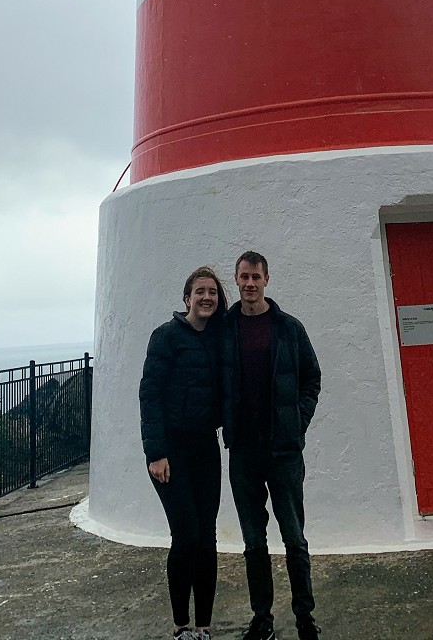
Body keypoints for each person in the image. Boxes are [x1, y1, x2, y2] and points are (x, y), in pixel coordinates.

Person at [221, 251, 322, 640]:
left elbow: (311, 377)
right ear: (236, 278)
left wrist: (297, 421)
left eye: (256, 277)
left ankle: (304, 619)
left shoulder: (288, 328)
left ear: (267, 279)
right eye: (244, 277)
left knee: (294, 538)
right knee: (253, 541)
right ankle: (262, 619)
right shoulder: (225, 328)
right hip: (243, 452)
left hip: (284, 451)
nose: (249, 283)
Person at [140, 266, 228, 640]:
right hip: (171, 451)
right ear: (186, 297)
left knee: (206, 538)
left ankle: (204, 626)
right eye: (199, 291)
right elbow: (149, 394)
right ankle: (180, 626)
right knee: (186, 535)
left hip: (205, 447)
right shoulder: (165, 337)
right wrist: (156, 452)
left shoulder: (220, 338)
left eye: (212, 292)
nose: (206, 297)